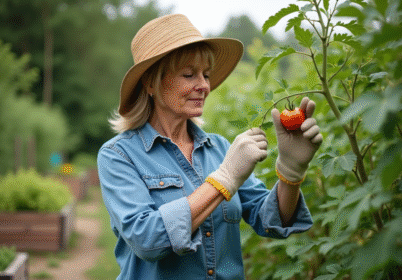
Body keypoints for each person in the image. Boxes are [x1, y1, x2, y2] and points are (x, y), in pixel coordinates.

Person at [97, 14, 323, 280]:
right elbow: (147, 239)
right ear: (150, 82)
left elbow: (270, 220)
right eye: (189, 74)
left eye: (206, 74)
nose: (204, 85)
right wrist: (224, 179)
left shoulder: (219, 148)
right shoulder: (119, 155)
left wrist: (291, 172)